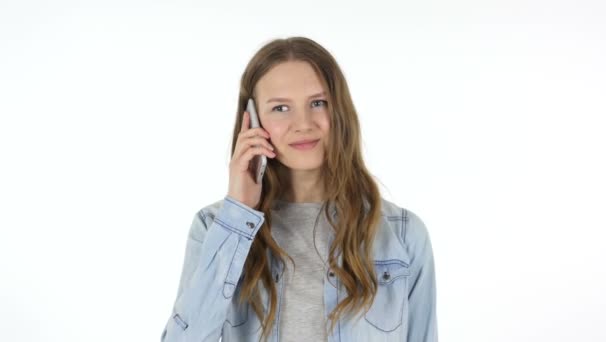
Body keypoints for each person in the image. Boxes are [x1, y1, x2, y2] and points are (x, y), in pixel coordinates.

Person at [160, 36, 438, 342]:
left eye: (318, 103)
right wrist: (238, 213)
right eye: (280, 108)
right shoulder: (213, 228)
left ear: (340, 111)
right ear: (251, 120)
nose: (303, 123)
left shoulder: (403, 235)